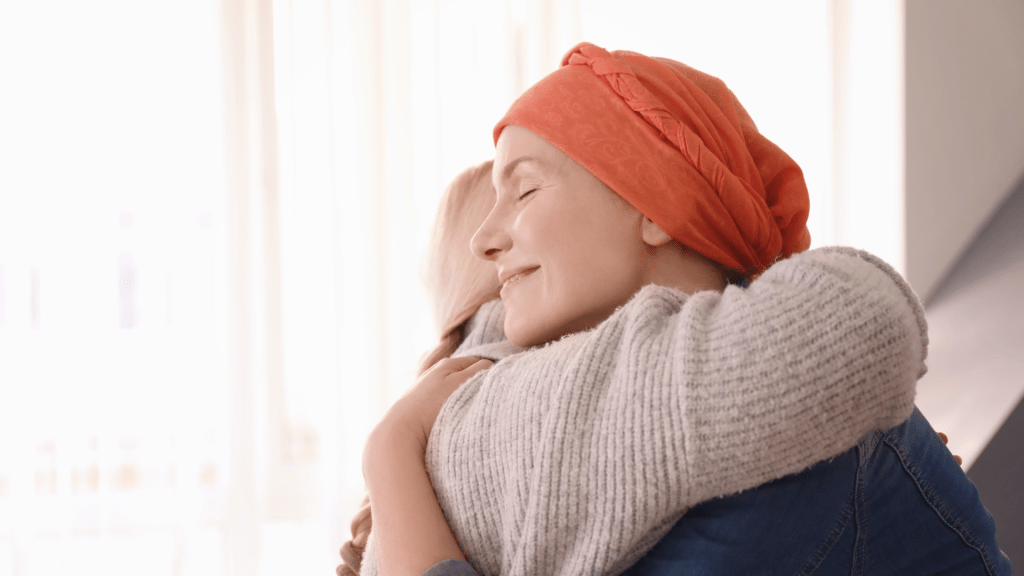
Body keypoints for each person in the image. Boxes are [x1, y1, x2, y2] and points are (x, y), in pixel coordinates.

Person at [354, 43, 1011, 576]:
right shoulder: (495, 409)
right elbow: (862, 326)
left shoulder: (542, 418)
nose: (485, 239)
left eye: (523, 191)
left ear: (653, 205)